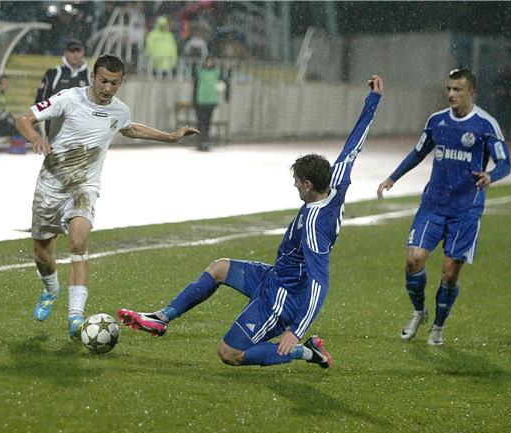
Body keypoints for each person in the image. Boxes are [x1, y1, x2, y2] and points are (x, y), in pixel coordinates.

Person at [117, 75, 384, 369]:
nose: (294, 186)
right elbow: (354, 143)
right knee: (219, 268)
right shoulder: (337, 180)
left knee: (229, 353)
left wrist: (297, 331)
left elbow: (320, 282)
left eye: (296, 182)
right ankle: (161, 318)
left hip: (283, 296)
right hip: (275, 275)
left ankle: (308, 352)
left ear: (308, 184)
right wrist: (373, 100)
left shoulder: (314, 226)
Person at [15, 54, 200, 340]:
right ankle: (50, 290)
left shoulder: (118, 110)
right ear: (93, 77)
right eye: (103, 81)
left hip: (84, 187)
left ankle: (75, 317)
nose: (108, 88)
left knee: (78, 241)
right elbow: (23, 120)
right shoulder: (68, 98)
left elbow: (131, 128)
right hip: (51, 186)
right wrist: (35, 138)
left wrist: (171, 137)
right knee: (42, 254)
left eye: (115, 83)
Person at [376, 68, 511, 346]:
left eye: (457, 89)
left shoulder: (486, 125)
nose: (451, 94)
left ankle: (438, 325)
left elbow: (505, 163)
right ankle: (419, 311)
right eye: (448, 88)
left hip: (466, 209)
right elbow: (418, 152)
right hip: (433, 205)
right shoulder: (437, 121)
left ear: (471, 92)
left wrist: (491, 176)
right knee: (413, 260)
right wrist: (392, 177)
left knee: (449, 273)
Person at [36, 38, 91, 138]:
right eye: (72, 51)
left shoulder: (90, 75)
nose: (75, 54)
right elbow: (41, 99)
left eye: (78, 51)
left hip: (81, 130)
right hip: (55, 129)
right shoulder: (54, 73)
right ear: (65, 53)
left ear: (83, 52)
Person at [193, 55, 228, 151]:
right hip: (201, 100)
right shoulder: (200, 72)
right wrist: (194, 100)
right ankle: (201, 141)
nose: (209, 63)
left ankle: (205, 141)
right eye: (208, 61)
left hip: (211, 101)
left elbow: (224, 83)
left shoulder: (217, 72)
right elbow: (195, 87)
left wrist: (226, 95)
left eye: (211, 61)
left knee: (207, 122)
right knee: (200, 122)